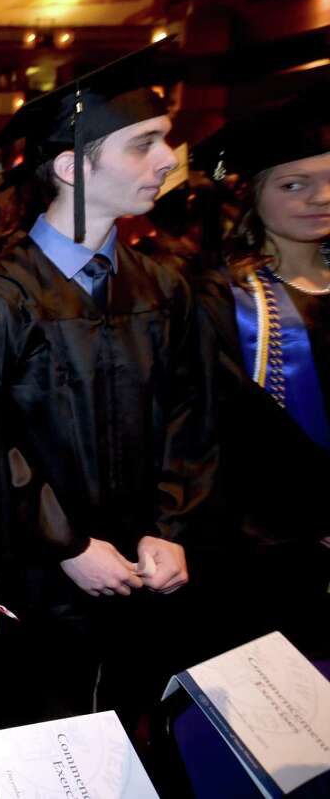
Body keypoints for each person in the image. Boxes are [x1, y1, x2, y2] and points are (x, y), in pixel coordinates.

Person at [0, 40, 213, 728]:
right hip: (39, 591)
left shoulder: (163, 287)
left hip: (151, 581)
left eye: (166, 142)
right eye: (143, 144)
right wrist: (67, 545)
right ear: (71, 165)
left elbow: (193, 416)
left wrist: (170, 524)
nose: (166, 160)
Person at [192, 91, 329, 659]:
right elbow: (228, 435)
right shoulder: (219, 299)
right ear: (252, 194)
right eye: (292, 184)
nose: (320, 198)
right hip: (269, 551)